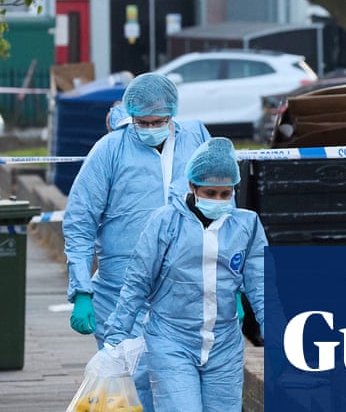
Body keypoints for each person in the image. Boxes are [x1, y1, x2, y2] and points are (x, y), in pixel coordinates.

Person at [63, 72, 209, 411]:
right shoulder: (110, 151)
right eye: (143, 122)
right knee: (133, 387)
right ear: (131, 116)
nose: (150, 127)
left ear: (172, 115)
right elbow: (80, 219)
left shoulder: (194, 141)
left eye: (158, 121)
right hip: (119, 292)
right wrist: (82, 290)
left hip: (182, 292)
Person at [103, 137, 267, 411]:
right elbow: (138, 281)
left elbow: (261, 281)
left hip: (223, 343)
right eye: (210, 193)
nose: (218, 200)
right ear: (192, 186)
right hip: (171, 339)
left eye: (225, 194)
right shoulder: (165, 223)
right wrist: (116, 335)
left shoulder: (246, 225)